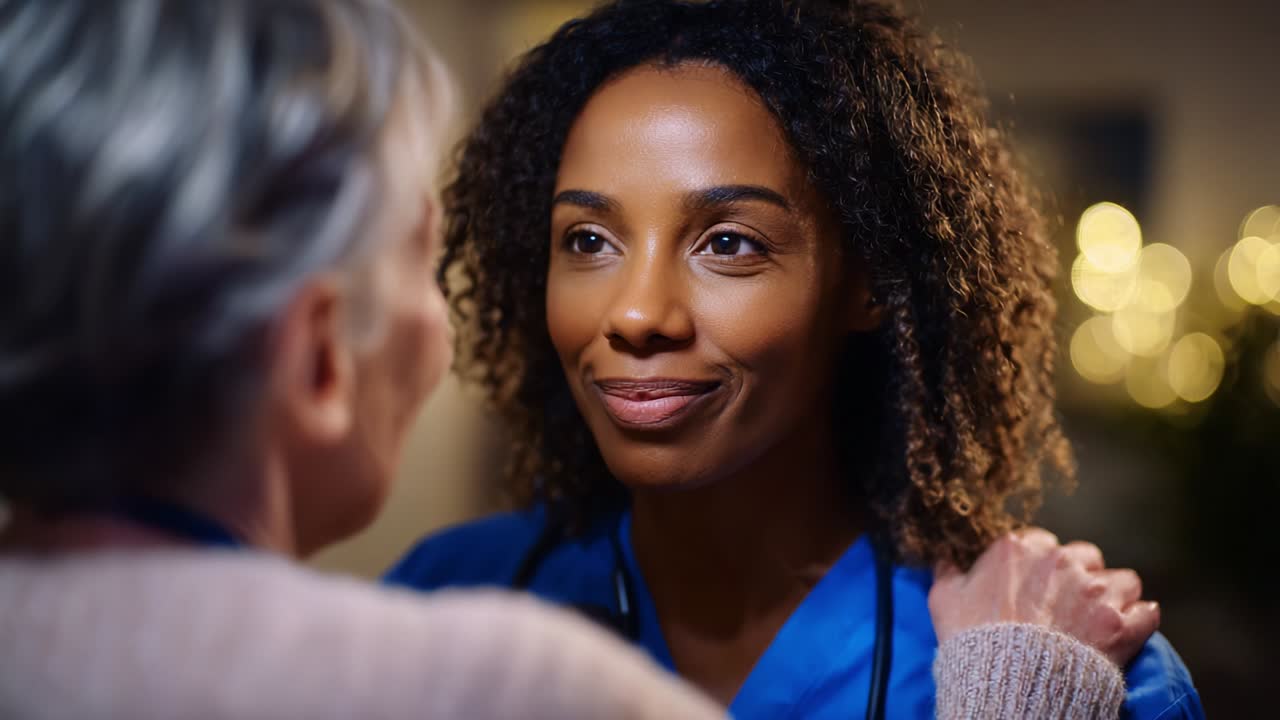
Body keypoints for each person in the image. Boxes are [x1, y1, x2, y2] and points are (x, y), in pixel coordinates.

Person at [386, 0, 1204, 718]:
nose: (634, 313)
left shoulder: (1080, 681)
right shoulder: (439, 603)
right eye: (589, 240)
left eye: (729, 243)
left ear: (871, 280)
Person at [0, 0, 721, 717]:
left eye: (726, 243)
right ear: (318, 357)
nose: (637, 315)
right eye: (420, 255)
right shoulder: (508, 688)